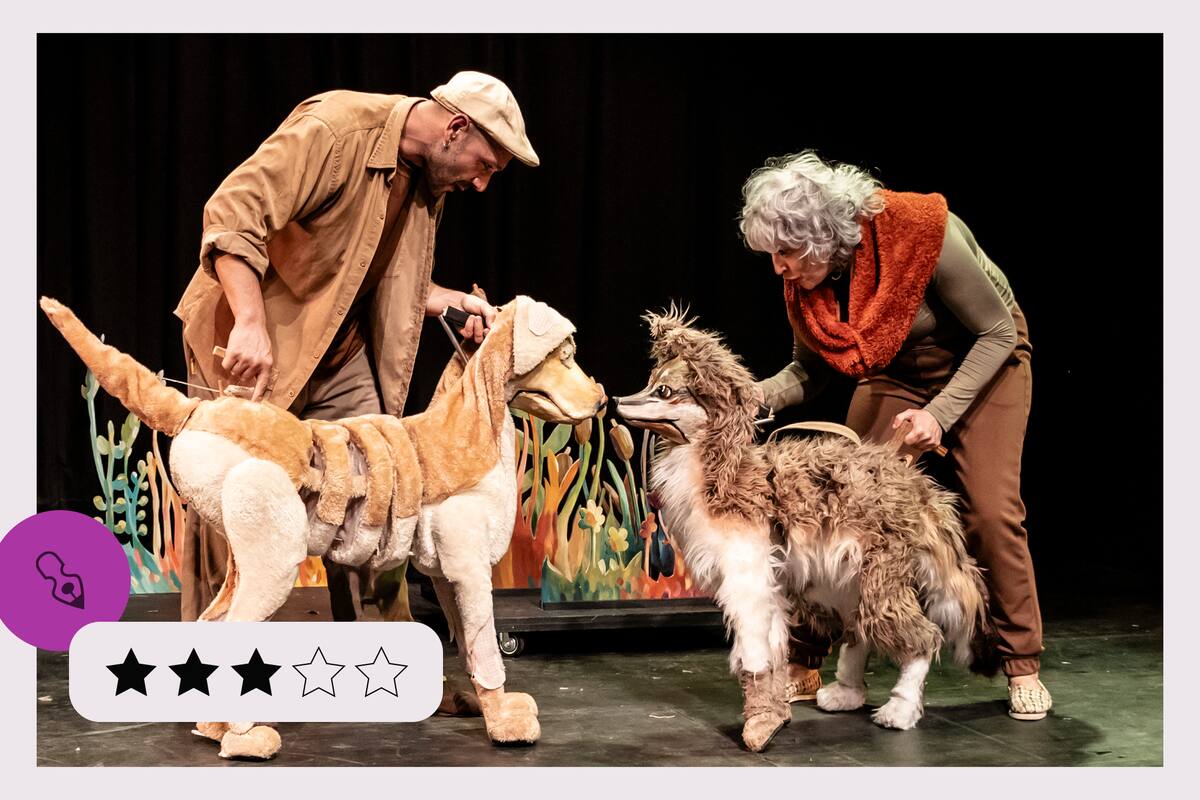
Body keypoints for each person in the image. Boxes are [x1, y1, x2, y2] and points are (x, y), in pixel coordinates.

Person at [174, 71, 539, 624]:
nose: (482, 184)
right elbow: (231, 213)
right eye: (485, 166)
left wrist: (447, 301)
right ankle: (215, 679)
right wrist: (249, 319)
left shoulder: (425, 181)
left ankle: (389, 669)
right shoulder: (335, 130)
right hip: (250, 342)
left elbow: (363, 271)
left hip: (338, 353)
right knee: (234, 503)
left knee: (381, 493)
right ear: (455, 128)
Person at [740, 151, 1051, 721]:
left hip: (984, 363)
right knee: (831, 500)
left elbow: (997, 331)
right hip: (895, 374)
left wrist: (940, 414)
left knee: (990, 509)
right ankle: (808, 655)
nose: (778, 268)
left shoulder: (923, 232)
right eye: (772, 255)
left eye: (785, 252)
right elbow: (808, 371)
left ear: (822, 235)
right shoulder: (808, 282)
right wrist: (755, 394)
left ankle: (1021, 664)